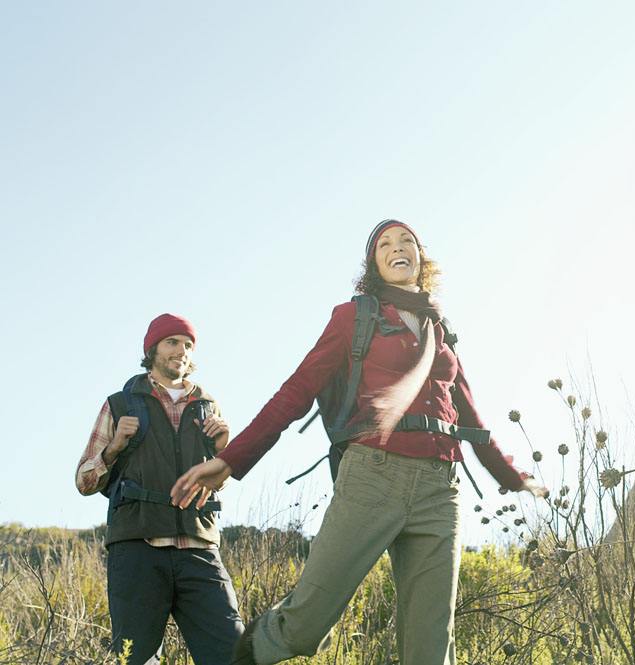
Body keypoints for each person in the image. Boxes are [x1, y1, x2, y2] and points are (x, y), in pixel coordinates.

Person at [172, 220, 545, 665]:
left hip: (439, 491)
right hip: (373, 476)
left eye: (407, 240)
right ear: (374, 264)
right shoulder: (356, 317)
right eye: (384, 244)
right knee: (308, 620)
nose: (398, 247)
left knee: (431, 644)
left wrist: (514, 477)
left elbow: (472, 420)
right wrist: (232, 460)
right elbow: (297, 390)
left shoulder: (442, 334)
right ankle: (248, 654)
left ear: (421, 258)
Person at [75, 313, 244, 664]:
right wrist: (116, 444)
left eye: (188, 345)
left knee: (233, 652)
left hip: (199, 549)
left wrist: (224, 451)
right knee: (135, 658)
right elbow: (85, 481)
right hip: (139, 550)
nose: (181, 350)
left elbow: (220, 482)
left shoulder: (208, 408)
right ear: (152, 349)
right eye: (172, 342)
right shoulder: (119, 404)